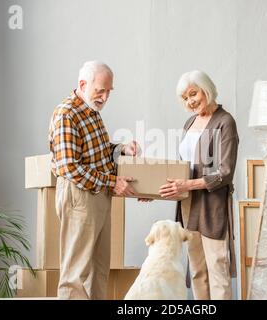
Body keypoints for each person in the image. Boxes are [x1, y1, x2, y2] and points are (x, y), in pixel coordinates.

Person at [48, 61, 140, 299]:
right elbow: (70, 167)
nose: (105, 96)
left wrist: (121, 149)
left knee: (98, 271)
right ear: (82, 84)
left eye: (109, 91)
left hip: (98, 194)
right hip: (79, 195)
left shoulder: (92, 111)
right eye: (101, 90)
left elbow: (96, 153)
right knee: (75, 273)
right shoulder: (67, 114)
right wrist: (112, 183)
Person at [159, 70, 239, 300]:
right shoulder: (190, 122)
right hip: (188, 205)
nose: (190, 101)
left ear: (207, 90)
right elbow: (184, 165)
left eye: (193, 94)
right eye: (184, 98)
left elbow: (225, 173)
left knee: (217, 270)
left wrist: (187, 185)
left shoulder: (225, 122)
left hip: (212, 206)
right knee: (196, 272)